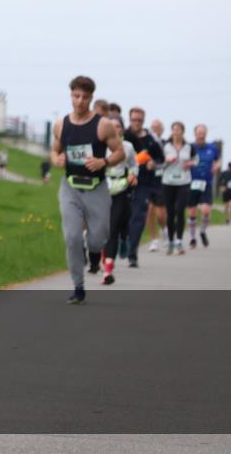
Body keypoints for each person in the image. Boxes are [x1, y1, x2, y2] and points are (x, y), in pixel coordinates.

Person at [50, 76, 124, 304]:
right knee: (72, 237)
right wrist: (57, 159)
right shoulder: (61, 124)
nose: (80, 101)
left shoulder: (103, 125)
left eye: (85, 97)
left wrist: (104, 162)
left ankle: (94, 254)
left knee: (98, 238)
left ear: (91, 98)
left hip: (96, 188)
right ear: (71, 95)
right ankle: (78, 286)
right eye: (76, 96)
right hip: (71, 186)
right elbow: (54, 151)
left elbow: (120, 152)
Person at [124, 108, 165, 265]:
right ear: (130, 119)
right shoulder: (124, 136)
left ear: (143, 121)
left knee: (139, 217)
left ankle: (132, 253)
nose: (137, 123)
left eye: (139, 120)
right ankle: (121, 243)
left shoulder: (150, 140)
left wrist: (153, 163)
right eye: (134, 119)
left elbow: (161, 158)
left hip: (143, 184)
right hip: (122, 182)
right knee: (122, 217)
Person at [101, 116, 138, 284]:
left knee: (113, 229)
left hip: (121, 188)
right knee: (101, 230)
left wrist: (132, 175)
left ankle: (108, 270)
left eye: (117, 126)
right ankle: (101, 259)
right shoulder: (99, 145)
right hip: (101, 189)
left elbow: (134, 164)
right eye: (111, 126)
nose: (114, 129)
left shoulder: (128, 146)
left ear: (122, 129)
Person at [161, 122, 198, 255]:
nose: (176, 131)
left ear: (183, 132)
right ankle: (170, 241)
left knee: (180, 210)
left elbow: (196, 159)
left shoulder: (189, 147)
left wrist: (191, 163)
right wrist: (166, 161)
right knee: (170, 212)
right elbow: (159, 163)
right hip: (168, 181)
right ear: (171, 131)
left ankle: (179, 242)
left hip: (184, 181)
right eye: (174, 129)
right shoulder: (165, 145)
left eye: (178, 129)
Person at [186, 125, 221, 249]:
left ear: (206, 134)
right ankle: (192, 238)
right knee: (192, 212)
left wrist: (216, 166)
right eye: (199, 133)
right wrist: (188, 164)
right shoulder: (190, 147)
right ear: (195, 134)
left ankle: (202, 231)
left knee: (206, 210)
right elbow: (183, 160)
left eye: (203, 133)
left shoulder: (212, 148)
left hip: (206, 182)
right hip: (192, 182)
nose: (201, 135)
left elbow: (218, 160)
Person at [144, 118, 169, 251]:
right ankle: (154, 239)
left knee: (160, 214)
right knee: (149, 212)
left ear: (162, 129)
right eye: (152, 127)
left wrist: (157, 164)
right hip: (148, 180)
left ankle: (165, 231)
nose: (154, 129)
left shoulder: (166, 144)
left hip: (162, 181)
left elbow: (168, 161)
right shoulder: (146, 143)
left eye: (157, 127)